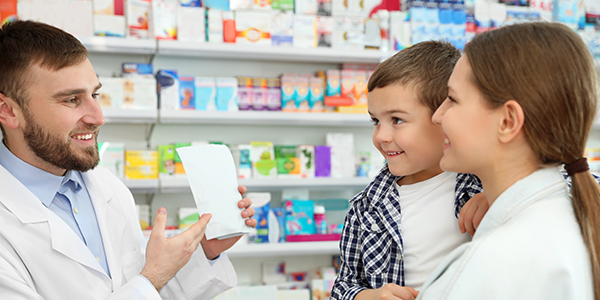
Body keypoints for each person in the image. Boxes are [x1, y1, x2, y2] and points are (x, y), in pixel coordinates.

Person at [0, 20, 257, 299]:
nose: (98, 118)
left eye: (94, 94)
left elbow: (146, 290)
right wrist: (152, 277)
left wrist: (205, 251)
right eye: (72, 99)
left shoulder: (108, 188)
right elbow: (146, 285)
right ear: (9, 111)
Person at [395, 22, 599, 299]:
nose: (437, 116)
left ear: (507, 121)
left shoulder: (488, 265)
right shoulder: (571, 217)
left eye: (452, 99)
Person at [330, 40, 489, 300]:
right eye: (375, 121)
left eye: (397, 120)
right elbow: (343, 286)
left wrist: (501, 192)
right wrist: (367, 297)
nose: (381, 136)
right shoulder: (366, 208)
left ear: (444, 116)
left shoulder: (482, 181)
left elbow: (560, 184)